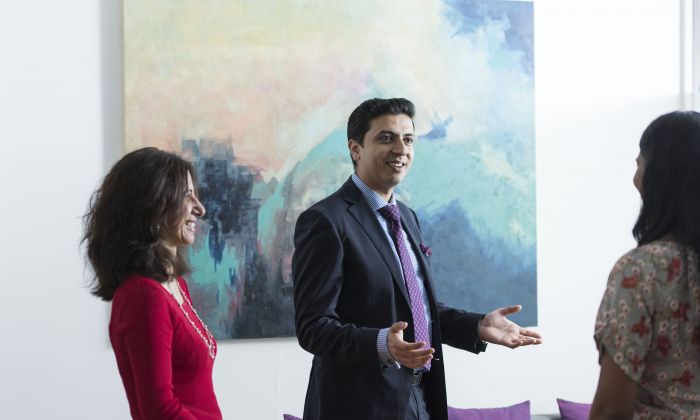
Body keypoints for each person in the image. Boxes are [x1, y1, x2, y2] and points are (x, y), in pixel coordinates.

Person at [292, 98, 542, 420]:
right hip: (356, 407)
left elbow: (417, 309)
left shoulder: (406, 217)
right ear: (355, 148)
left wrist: (477, 326)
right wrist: (382, 343)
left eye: (408, 139)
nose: (401, 149)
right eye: (386, 138)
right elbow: (313, 327)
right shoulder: (326, 220)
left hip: (421, 399)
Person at [83, 147, 222, 419]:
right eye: (186, 196)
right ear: (153, 206)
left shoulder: (174, 285)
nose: (200, 208)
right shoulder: (143, 296)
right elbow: (160, 410)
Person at [590, 111, 700, 419]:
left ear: (657, 177)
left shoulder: (641, 272)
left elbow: (611, 410)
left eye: (639, 164)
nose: (635, 177)